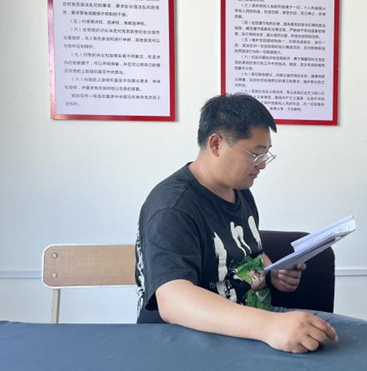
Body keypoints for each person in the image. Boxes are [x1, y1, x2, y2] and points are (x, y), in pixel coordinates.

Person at [135, 93, 338, 353]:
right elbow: (173, 299)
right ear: (216, 144)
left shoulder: (238, 190)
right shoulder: (172, 207)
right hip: (192, 339)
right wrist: (269, 326)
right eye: (256, 154)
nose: (262, 165)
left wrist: (272, 271)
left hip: (252, 322)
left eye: (266, 154)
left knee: (354, 336)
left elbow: (246, 254)